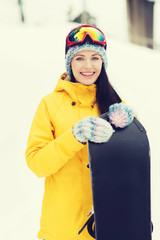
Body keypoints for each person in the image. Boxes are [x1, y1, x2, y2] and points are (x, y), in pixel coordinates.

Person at [25, 24, 135, 240]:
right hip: (62, 230)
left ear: (103, 62)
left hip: (107, 226)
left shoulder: (114, 103)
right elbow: (37, 164)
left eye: (95, 57)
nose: (88, 65)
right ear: (69, 61)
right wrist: (74, 136)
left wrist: (129, 128)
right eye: (79, 58)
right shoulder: (50, 104)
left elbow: (134, 161)